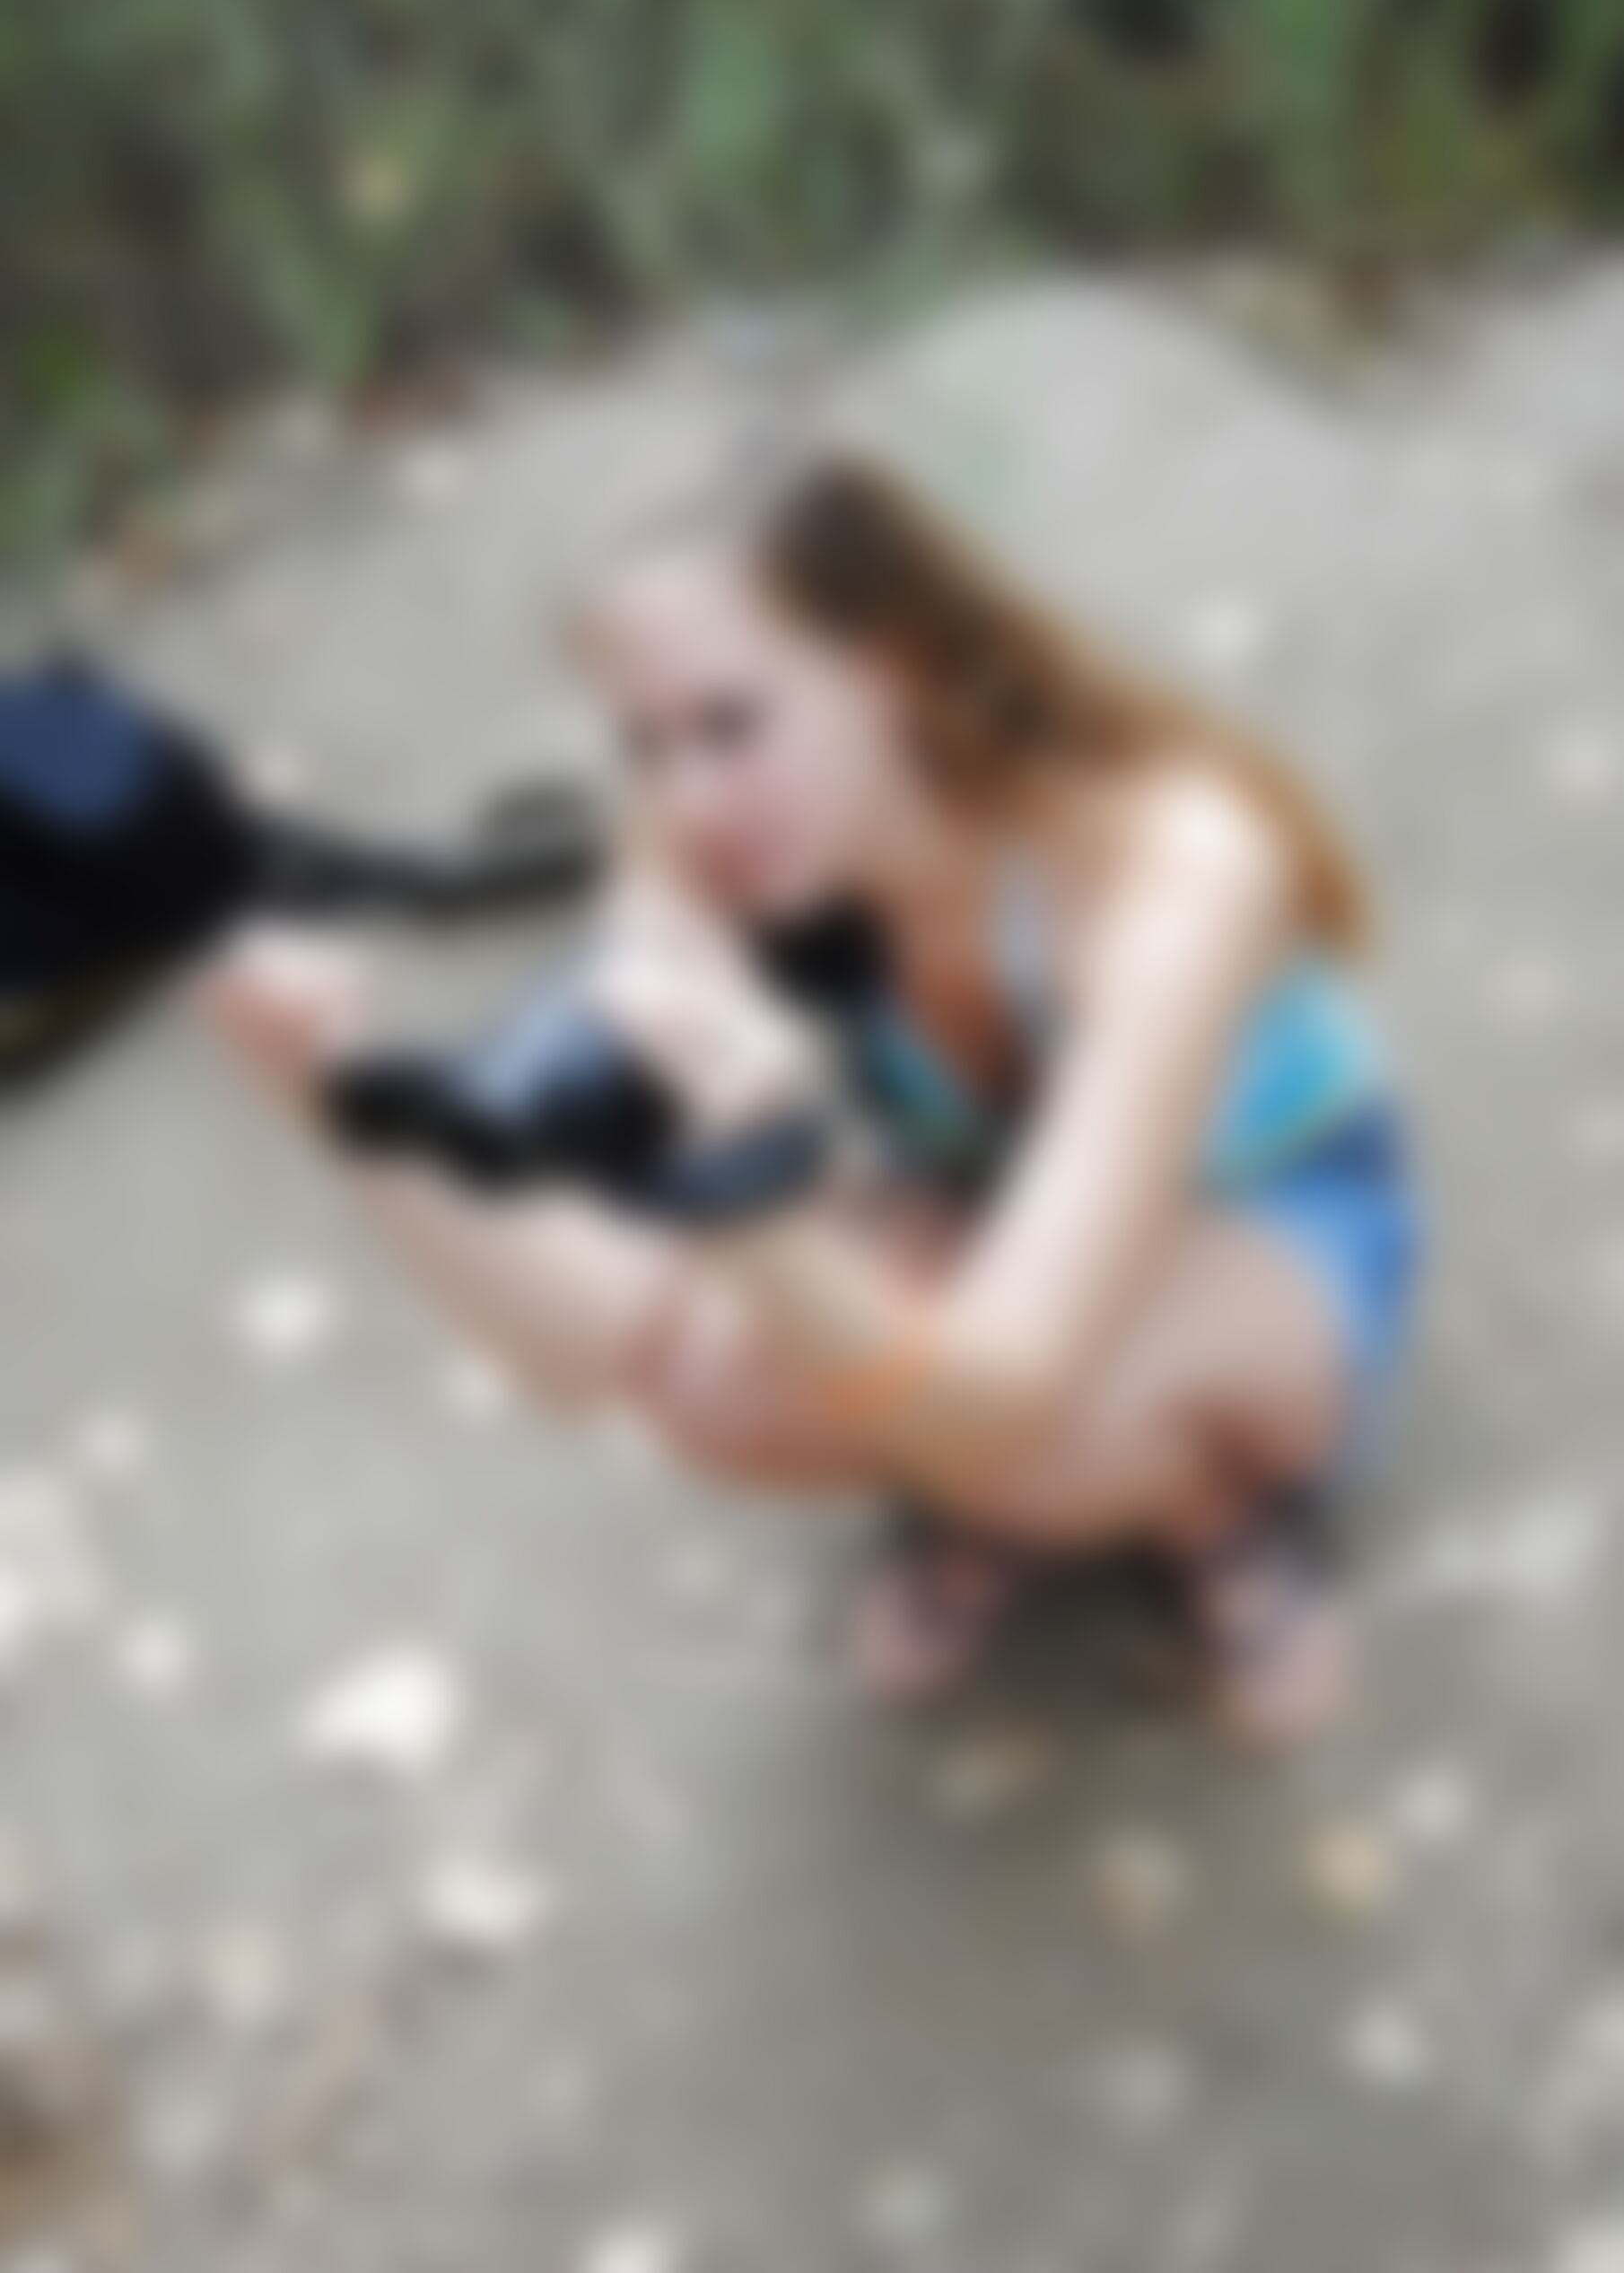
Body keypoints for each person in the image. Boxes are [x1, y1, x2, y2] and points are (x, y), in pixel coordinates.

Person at [204, 451, 1424, 1743]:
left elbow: (1001, 1391)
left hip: (1273, 1212)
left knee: (1026, 1440)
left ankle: (1210, 1511)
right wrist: (353, 1108)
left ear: (890, 662)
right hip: (997, 1203)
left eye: (732, 724)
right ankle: (1003, 1473)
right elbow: (597, 1349)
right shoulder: (706, 829)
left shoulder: (1173, 863)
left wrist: (744, 1198)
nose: (687, 795)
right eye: (646, 743)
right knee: (709, 1394)